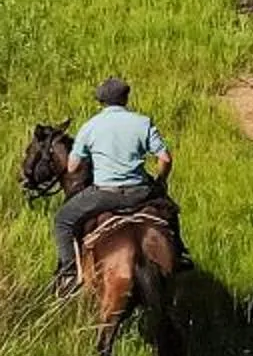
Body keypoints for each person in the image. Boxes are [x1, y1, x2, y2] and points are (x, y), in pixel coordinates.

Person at [51, 76, 177, 291]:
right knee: (171, 212)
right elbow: (165, 158)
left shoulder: (90, 126)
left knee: (63, 221)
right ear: (126, 98)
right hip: (140, 192)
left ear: (101, 101)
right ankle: (180, 256)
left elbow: (72, 167)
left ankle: (70, 273)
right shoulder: (143, 122)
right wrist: (160, 181)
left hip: (104, 194)